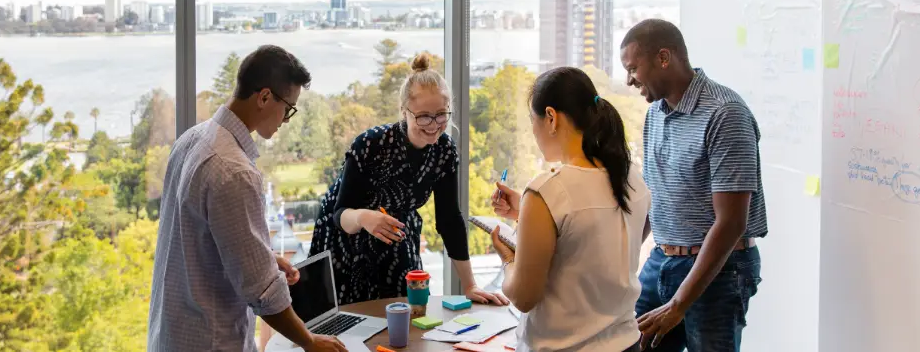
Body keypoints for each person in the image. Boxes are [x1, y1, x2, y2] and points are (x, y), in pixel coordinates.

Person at [147, 45, 347, 352]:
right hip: (211, 341)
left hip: (171, 336)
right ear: (265, 97)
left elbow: (203, 241)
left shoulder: (192, 139)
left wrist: (263, 257)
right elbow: (263, 291)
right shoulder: (234, 171)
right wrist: (309, 342)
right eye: (288, 108)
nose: (286, 119)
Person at [309, 55, 508, 306]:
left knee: (407, 311)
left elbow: (449, 220)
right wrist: (363, 217)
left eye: (441, 115)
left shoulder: (445, 151)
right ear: (404, 112)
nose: (434, 125)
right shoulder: (370, 144)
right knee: (352, 321)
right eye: (423, 116)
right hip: (347, 236)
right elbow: (340, 213)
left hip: (397, 232)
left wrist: (470, 285)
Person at [620, 19, 767, 351]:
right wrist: (623, 258)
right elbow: (654, 196)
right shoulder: (655, 113)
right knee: (630, 344)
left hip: (721, 269)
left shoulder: (725, 113)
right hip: (663, 259)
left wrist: (678, 305)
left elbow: (731, 223)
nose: (629, 80)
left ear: (663, 58)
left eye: (633, 68)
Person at [488, 67, 651, 352]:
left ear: (551, 117)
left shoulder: (549, 190)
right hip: (626, 344)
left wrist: (507, 260)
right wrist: (524, 215)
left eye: (533, 121)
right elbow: (595, 240)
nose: (534, 132)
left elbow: (524, 297)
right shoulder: (632, 178)